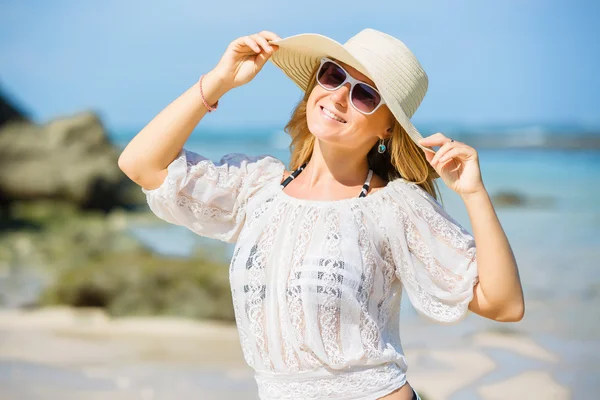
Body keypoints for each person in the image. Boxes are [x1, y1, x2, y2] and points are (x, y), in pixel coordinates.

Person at [118, 28, 524, 400]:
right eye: (332, 76)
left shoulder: (393, 207)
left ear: (387, 128)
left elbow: (503, 304)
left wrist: (474, 194)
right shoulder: (258, 189)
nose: (339, 97)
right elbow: (142, 165)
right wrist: (220, 80)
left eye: (365, 94)